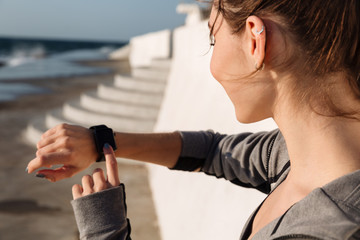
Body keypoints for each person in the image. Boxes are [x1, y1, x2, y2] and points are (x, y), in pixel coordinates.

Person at [26, 0, 360, 239]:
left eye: (214, 39)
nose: (213, 62)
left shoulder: (327, 229)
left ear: (257, 40)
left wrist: (104, 229)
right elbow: (213, 151)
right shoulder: (297, 155)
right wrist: (100, 142)